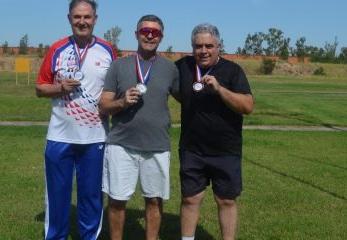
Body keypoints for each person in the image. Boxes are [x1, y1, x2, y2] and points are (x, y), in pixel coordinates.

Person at [35, 0, 117, 239]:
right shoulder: (57, 49)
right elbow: (40, 88)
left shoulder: (108, 50)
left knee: (91, 195)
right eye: (77, 17)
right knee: (57, 194)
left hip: (95, 137)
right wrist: (59, 88)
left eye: (87, 17)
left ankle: (89, 236)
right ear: (69, 18)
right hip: (60, 136)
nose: (82, 22)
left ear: (95, 19)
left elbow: (116, 89)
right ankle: (55, 236)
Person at [98, 14, 179, 240]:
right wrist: (122, 102)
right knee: (117, 200)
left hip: (157, 144)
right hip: (121, 144)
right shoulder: (119, 65)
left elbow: (187, 98)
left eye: (155, 32)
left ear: (161, 37)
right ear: (136, 34)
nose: (150, 35)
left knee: (154, 200)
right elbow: (103, 105)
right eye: (145, 31)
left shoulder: (170, 69)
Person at [175, 23, 254, 240]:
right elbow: (173, 90)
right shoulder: (182, 66)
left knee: (226, 200)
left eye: (209, 45)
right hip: (192, 148)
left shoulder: (232, 71)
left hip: (225, 149)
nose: (203, 51)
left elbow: (247, 106)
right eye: (198, 46)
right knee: (190, 199)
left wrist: (220, 89)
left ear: (219, 46)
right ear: (192, 47)